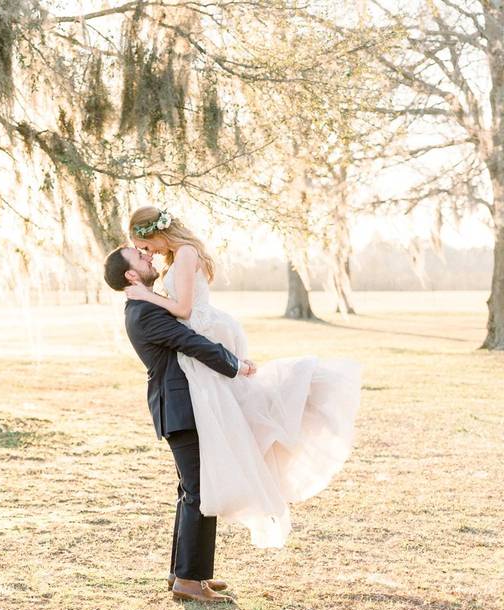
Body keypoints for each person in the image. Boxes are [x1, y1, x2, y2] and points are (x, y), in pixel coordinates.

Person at [124, 205, 361, 550]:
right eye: (142, 252)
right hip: (201, 336)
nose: (148, 253)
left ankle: (283, 414)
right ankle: (189, 573)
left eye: (145, 246)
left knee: (237, 412)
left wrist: (147, 294)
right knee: (230, 420)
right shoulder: (177, 259)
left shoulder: (186, 253)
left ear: (156, 232)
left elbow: (185, 311)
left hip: (207, 330)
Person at [104, 244, 255, 603]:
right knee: (199, 491)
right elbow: (191, 341)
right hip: (180, 408)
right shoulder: (144, 313)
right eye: (140, 258)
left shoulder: (144, 305)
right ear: (130, 275)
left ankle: (184, 573)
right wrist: (236, 365)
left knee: (191, 490)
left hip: (182, 406)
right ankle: (189, 580)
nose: (149, 257)